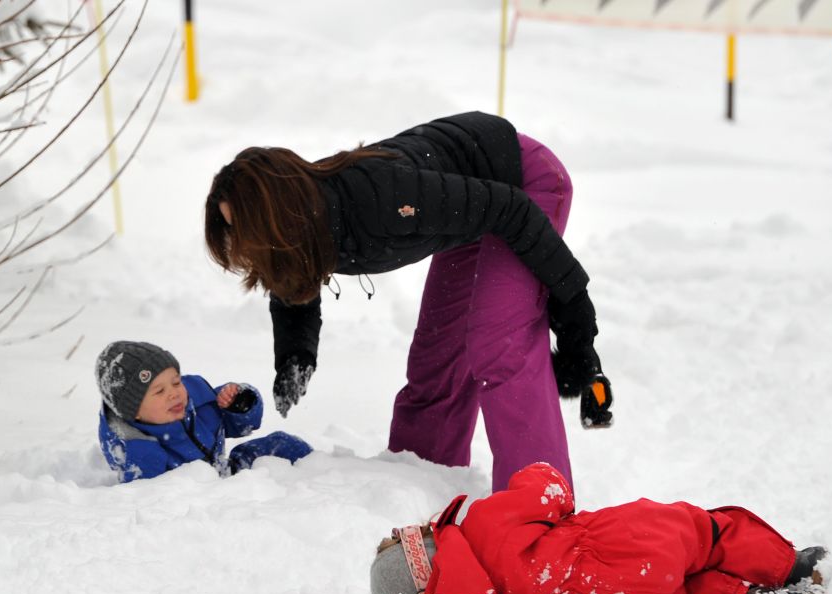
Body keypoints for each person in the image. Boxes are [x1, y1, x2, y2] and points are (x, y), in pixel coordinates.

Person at [204, 111, 613, 492]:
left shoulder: (380, 199)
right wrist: (296, 356)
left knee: (498, 342)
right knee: (437, 354)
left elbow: (511, 210)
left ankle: (538, 505)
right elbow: (293, 277)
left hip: (521, 187)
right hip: (471, 211)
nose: (240, 240)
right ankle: (422, 484)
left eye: (242, 226)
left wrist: (574, 307)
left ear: (276, 212)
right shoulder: (303, 226)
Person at [369, 462, 830, 594]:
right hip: (631, 541)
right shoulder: (482, 526)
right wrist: (531, 473)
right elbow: (550, 491)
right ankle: (787, 567)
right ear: (422, 544)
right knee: (710, 533)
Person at [95, 341, 313, 483]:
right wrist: (141, 451)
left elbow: (244, 425)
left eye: (176, 382)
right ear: (134, 411)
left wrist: (239, 404)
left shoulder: (196, 399)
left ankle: (322, 476)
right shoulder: (131, 446)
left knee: (282, 443)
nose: (174, 394)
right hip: (195, 502)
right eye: (159, 391)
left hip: (228, 473)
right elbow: (148, 496)